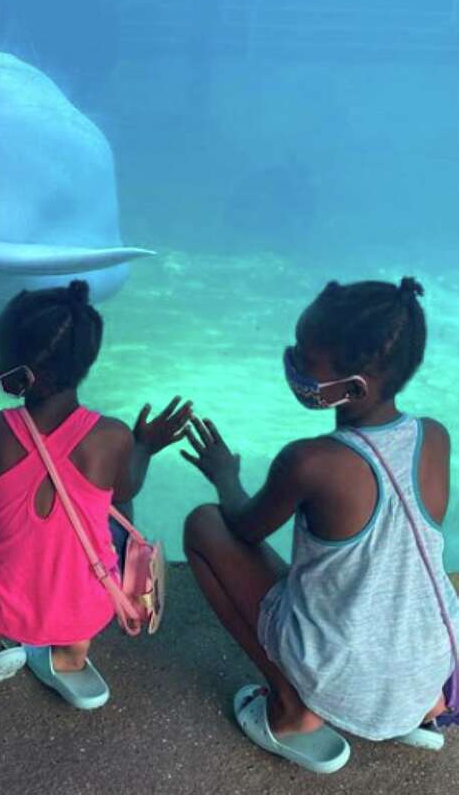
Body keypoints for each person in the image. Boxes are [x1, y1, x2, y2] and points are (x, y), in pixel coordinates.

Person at [181, 277, 459, 773]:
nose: (291, 365)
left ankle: (291, 709)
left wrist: (225, 476)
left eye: (304, 362)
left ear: (353, 388)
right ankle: (420, 706)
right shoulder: (433, 437)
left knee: (203, 526)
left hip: (345, 672)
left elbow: (243, 529)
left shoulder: (310, 462)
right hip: (429, 664)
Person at [0, 280, 191, 709]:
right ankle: (71, 654)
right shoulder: (112, 436)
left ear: (20, 371)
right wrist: (144, 445)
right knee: (115, 505)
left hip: (0, 603)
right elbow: (127, 491)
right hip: (89, 607)